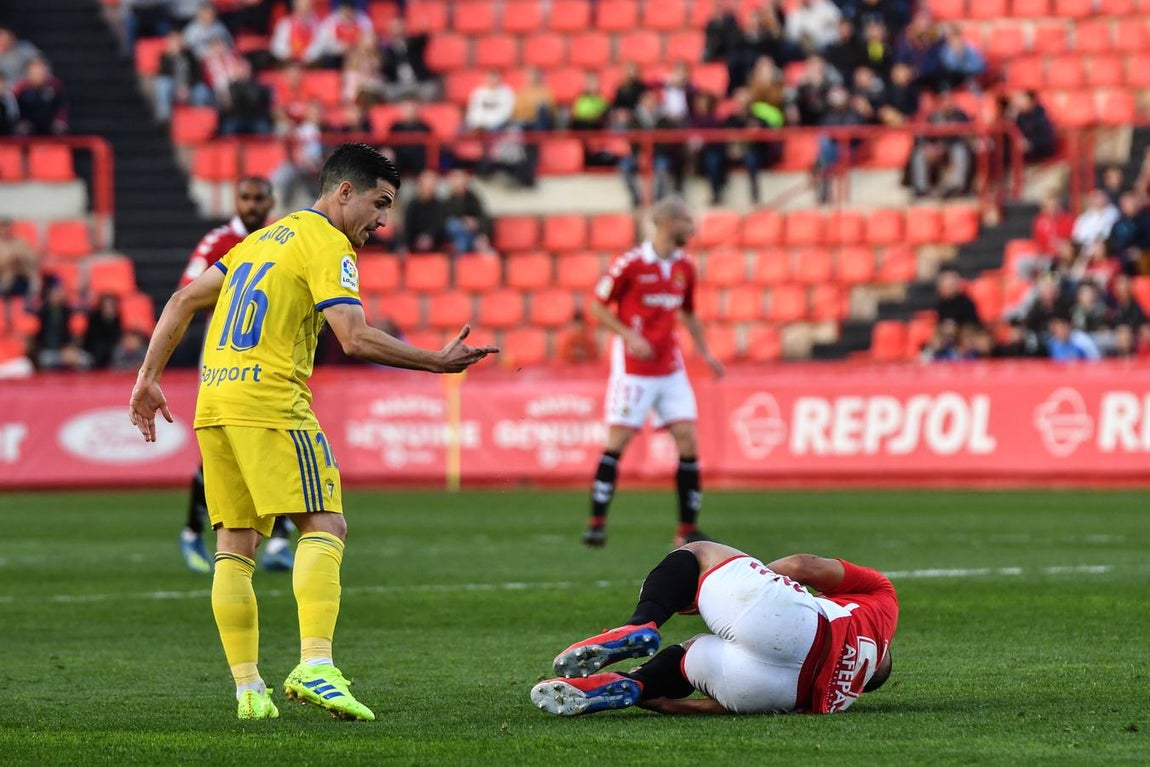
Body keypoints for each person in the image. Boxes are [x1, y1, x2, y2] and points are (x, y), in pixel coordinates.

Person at [128, 142, 498, 722]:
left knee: (234, 543)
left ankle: (249, 691)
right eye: (379, 203)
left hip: (215, 399)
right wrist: (435, 360)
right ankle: (316, 665)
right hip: (270, 400)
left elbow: (181, 300)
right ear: (343, 191)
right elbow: (352, 336)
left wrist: (148, 378)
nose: (382, 220)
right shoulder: (329, 242)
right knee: (326, 522)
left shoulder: (262, 238)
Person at [530, 540, 898, 716]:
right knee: (691, 653)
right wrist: (671, 704)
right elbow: (727, 706)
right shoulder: (844, 699)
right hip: (772, 692)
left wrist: (746, 583)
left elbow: (804, 565)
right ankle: (636, 683)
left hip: (800, 626)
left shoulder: (883, 603)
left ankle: (641, 623)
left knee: (700, 553)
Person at [583, 196, 725, 549]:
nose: (692, 230)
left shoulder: (684, 268)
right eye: (687, 223)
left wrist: (705, 352)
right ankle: (597, 522)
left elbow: (688, 313)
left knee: (688, 440)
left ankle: (687, 529)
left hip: (671, 367)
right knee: (618, 441)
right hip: (634, 370)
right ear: (668, 223)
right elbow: (597, 306)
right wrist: (629, 335)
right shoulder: (630, 264)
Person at [176, 176, 285, 575]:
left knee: (276, 440)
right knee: (225, 448)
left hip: (271, 353)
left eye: (260, 198)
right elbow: (187, 293)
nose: (253, 205)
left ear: (271, 200)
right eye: (246, 197)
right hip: (225, 351)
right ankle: (192, 530)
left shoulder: (282, 238)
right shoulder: (218, 243)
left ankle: (277, 541)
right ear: (236, 200)